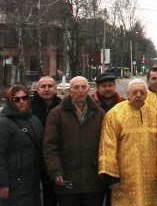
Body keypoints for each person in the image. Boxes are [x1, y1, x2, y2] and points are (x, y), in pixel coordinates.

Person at [98, 79, 157, 206]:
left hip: (149, 179)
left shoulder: (153, 114)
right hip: (125, 178)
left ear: (146, 95)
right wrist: (112, 177)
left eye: (142, 92)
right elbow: (108, 145)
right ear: (127, 93)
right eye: (135, 92)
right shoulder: (115, 114)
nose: (138, 95)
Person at [44, 76, 106, 206]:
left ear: (88, 90)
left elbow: (106, 145)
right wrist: (55, 171)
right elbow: (50, 146)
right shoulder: (57, 114)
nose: (80, 91)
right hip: (67, 178)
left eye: (83, 87)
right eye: (76, 87)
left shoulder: (99, 114)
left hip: (93, 178)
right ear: (69, 91)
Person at [0, 84, 44, 206]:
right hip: (14, 182)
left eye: (24, 98)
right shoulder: (4, 123)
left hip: (33, 181)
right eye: (16, 99)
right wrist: (3, 184)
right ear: (10, 101)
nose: (21, 102)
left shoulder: (34, 120)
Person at [30, 76, 61, 206]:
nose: (47, 89)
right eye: (43, 86)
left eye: (50, 86)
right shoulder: (28, 107)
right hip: (33, 157)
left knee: (52, 194)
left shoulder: (62, 106)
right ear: (37, 89)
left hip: (54, 157)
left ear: (55, 89)